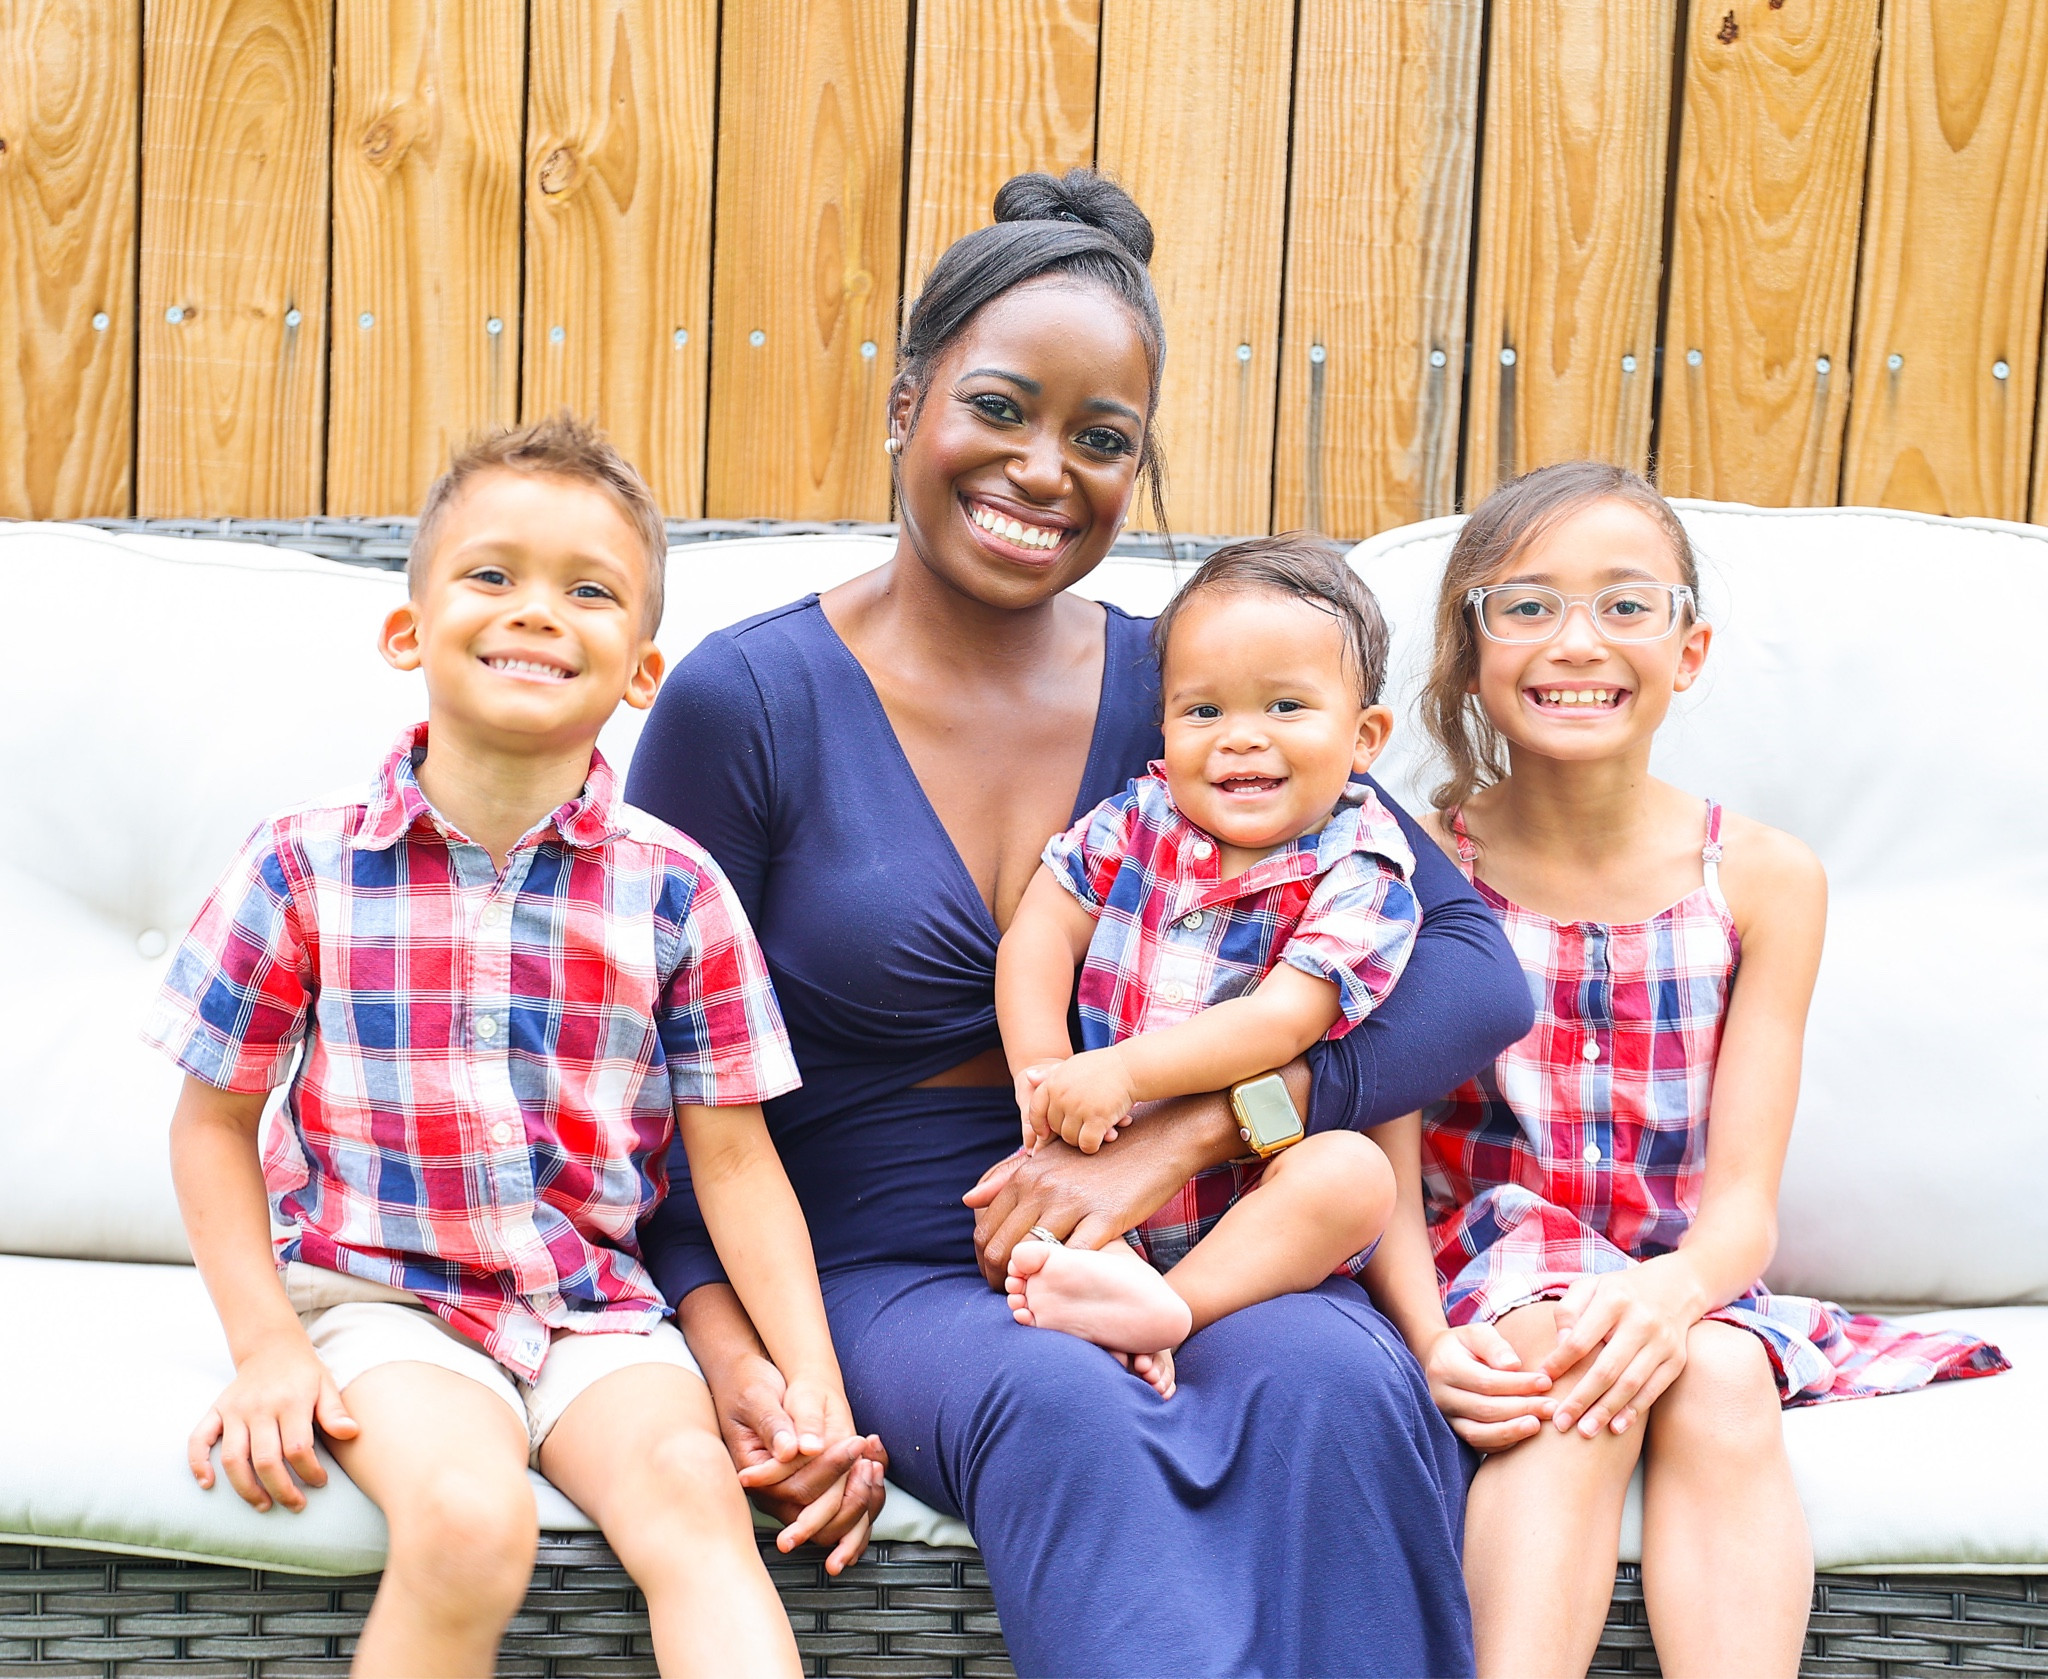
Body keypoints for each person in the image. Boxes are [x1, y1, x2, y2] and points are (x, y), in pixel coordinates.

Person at [626, 169, 1535, 1678]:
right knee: (1063, 1404)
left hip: (1179, 1218)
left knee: (1328, 1377)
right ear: (908, 404)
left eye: (1102, 440)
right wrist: (736, 1354)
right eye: (1001, 408)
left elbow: (1469, 969)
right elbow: (647, 1093)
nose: (1047, 469)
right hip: (880, 1261)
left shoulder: (1189, 697)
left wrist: (1207, 1126)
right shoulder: (748, 701)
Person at [146, 416, 871, 1679]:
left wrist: (813, 1381)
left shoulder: (675, 890)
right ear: (408, 631)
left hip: (592, 1307)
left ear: (639, 669)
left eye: (588, 590)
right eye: (493, 575)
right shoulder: (304, 863)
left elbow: (739, 1164)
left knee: (697, 1501)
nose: (539, 611)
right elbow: (211, 1126)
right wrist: (266, 1345)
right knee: (471, 1519)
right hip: (383, 1298)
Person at [1362, 460, 2009, 1679]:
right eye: (1525, 604)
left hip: (1682, 1276)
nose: (1576, 641)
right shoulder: (1407, 867)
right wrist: (1425, 1335)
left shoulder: (1762, 879)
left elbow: (1738, 1210)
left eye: (1624, 604)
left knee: (1714, 1374)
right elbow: (1383, 1161)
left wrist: (1670, 1297)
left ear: (1689, 649)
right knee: (1570, 1360)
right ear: (1472, 644)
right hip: (1488, 1265)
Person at [994, 537, 1415, 1393]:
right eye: (1204, 712)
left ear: (1364, 735)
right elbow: (1039, 932)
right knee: (1009, 1207)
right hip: (1095, 1154)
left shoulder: (1363, 866)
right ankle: (1104, 1286)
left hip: (1258, 1190)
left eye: (1287, 706)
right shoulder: (1138, 818)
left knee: (1353, 1175)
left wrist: (1119, 1069)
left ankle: (1172, 1307)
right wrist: (1043, 1072)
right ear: (1165, 727)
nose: (1241, 740)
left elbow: (1283, 1021)